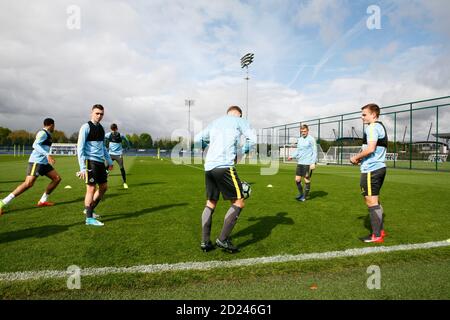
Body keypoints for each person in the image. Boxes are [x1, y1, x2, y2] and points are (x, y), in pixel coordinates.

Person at [194, 106, 256, 253]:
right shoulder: (240, 121)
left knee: (210, 202)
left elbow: (197, 139)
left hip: (209, 167)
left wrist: (207, 147)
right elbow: (253, 139)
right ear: (239, 115)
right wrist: (241, 152)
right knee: (239, 202)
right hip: (224, 166)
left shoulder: (216, 122)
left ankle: (205, 242)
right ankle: (222, 240)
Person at [0, 118, 61, 215]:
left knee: (56, 178)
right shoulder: (42, 133)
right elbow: (35, 145)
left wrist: (46, 156)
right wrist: (47, 154)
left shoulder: (48, 134)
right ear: (51, 125)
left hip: (44, 163)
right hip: (36, 162)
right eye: (54, 125)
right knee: (28, 184)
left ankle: (42, 201)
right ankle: (2, 202)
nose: (54, 127)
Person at [350, 103, 388, 243]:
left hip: (372, 170)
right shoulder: (379, 126)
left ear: (373, 114)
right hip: (377, 167)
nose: (362, 117)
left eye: (364, 114)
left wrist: (356, 157)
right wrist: (362, 159)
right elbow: (375, 149)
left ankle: (376, 235)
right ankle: (380, 232)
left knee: (371, 201)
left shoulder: (372, 127)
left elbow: (371, 149)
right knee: (375, 200)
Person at [77, 104, 113, 226]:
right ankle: (89, 218)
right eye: (97, 113)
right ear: (91, 113)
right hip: (89, 161)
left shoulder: (102, 129)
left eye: (101, 114)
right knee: (91, 188)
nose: (99, 116)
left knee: (103, 187)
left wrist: (109, 160)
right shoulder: (85, 127)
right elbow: (80, 148)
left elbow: (102, 147)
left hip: (100, 162)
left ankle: (90, 210)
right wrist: (82, 167)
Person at [287, 124, 317, 202]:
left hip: (307, 163)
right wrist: (292, 156)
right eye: (302, 131)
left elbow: (314, 151)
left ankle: (305, 197)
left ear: (307, 131)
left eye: (305, 131)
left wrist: (313, 163)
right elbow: (298, 150)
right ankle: (301, 194)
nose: (303, 132)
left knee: (306, 180)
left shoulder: (311, 139)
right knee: (297, 180)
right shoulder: (299, 139)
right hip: (300, 162)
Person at [105, 123, 130, 189]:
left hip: (117, 154)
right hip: (113, 154)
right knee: (107, 168)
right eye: (113, 129)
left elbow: (103, 138)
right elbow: (127, 140)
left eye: (114, 129)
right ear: (116, 128)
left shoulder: (113, 135)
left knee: (120, 168)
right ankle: (105, 183)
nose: (113, 131)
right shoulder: (112, 135)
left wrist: (104, 145)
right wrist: (128, 146)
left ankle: (124, 183)